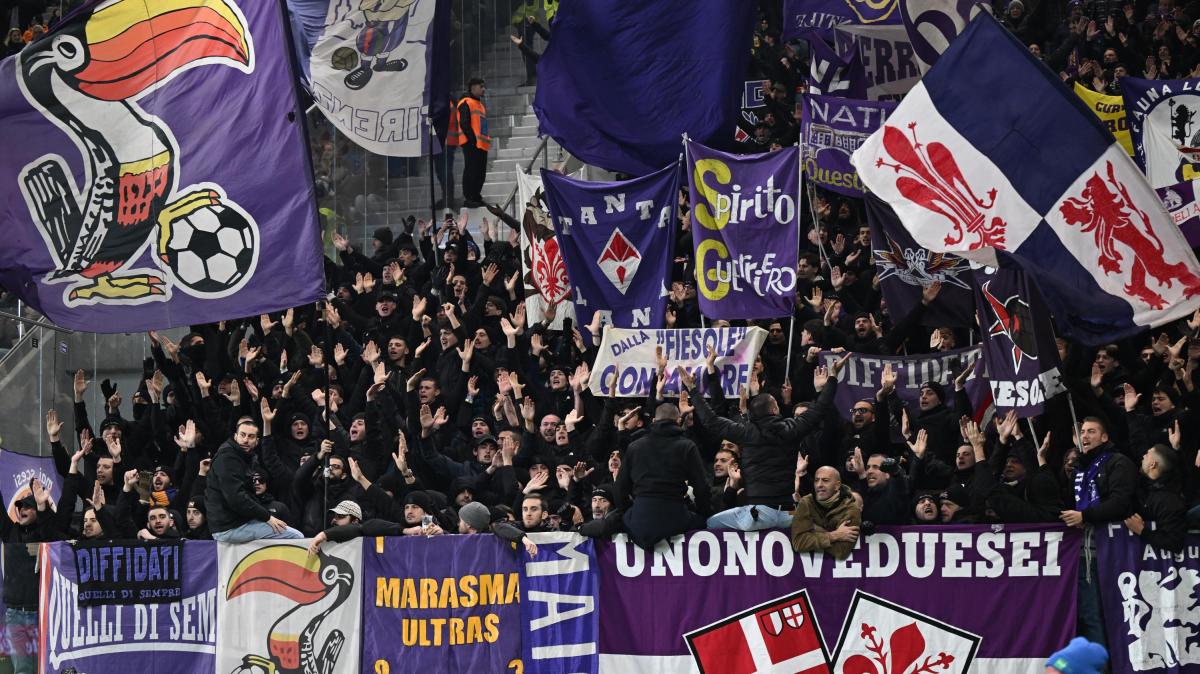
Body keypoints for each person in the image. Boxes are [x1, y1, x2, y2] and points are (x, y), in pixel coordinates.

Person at [685, 357, 844, 531]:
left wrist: (693, 390)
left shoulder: (745, 432)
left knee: (711, 523)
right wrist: (831, 380)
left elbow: (711, 421)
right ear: (775, 409)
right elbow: (819, 410)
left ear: (752, 416)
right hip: (789, 515)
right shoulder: (792, 428)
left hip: (758, 516)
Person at [1059, 417, 1136, 647]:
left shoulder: (1118, 463)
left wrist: (1085, 516)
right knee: (1089, 615)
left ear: (1104, 437)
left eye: (1091, 432)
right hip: (1083, 551)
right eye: (1082, 432)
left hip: (1113, 550)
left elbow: (1120, 502)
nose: (1085, 436)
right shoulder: (1080, 469)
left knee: (1112, 614)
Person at [614, 403, 710, 549]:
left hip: (640, 517)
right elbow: (702, 487)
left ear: (653, 421)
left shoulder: (635, 446)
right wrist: (703, 514)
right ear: (678, 421)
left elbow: (620, 488)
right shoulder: (687, 446)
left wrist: (628, 512)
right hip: (676, 516)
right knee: (704, 522)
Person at [206, 420, 303, 543]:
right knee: (296, 536)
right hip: (228, 527)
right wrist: (267, 517)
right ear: (235, 436)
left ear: (257, 441)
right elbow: (236, 498)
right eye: (242, 435)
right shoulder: (227, 457)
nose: (245, 440)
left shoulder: (246, 457)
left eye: (251, 436)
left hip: (238, 521)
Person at [1124, 444, 1187, 553]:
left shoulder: (1168, 501)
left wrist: (1142, 531)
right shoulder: (1144, 487)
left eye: (1147, 454)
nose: (1143, 456)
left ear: (1152, 464)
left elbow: (1174, 542)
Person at [790, 466, 860, 559]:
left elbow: (841, 551)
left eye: (825, 480)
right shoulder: (806, 503)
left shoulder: (850, 508)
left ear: (837, 485)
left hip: (838, 571)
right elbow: (798, 543)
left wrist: (813, 528)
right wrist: (834, 536)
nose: (819, 485)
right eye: (816, 480)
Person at [458, 78, 491, 208]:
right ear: (473, 87)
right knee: (471, 170)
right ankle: (469, 197)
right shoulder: (465, 102)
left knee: (480, 172)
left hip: (481, 144)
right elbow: (464, 123)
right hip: (471, 143)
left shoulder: (480, 105)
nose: (483, 89)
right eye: (481, 86)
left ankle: (476, 195)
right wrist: (472, 140)